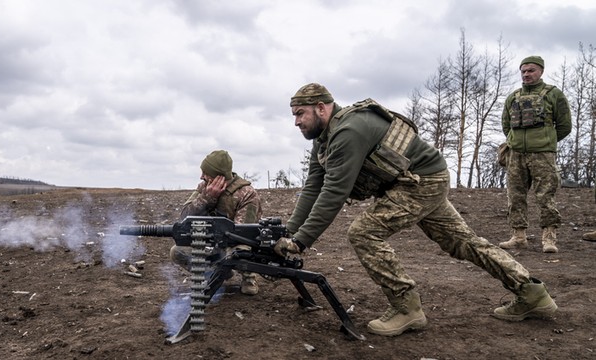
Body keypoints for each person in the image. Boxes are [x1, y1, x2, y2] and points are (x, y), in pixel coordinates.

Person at [274, 83, 557, 337]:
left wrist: (301, 241)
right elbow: (314, 184)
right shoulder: (326, 136)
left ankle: (406, 308)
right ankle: (532, 293)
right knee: (462, 243)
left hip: (422, 183)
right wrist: (290, 230)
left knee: (363, 233)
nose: (297, 122)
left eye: (301, 114)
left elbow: (334, 192)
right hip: (417, 180)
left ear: (321, 108)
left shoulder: (348, 132)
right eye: (295, 115)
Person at [499, 55, 572, 253]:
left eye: (531, 70)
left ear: (541, 71)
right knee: (515, 196)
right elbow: (506, 125)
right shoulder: (513, 97)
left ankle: (549, 238)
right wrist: (516, 142)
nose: (526, 74)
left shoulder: (554, 94)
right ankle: (519, 236)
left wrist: (545, 140)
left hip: (543, 154)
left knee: (546, 196)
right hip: (516, 154)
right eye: (523, 71)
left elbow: (565, 125)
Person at [169, 150, 264, 295]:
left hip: (236, 245)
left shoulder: (247, 193)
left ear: (218, 175)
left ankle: (248, 278)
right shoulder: (203, 188)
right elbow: (184, 217)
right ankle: (217, 273)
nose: (201, 176)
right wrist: (207, 198)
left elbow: (244, 232)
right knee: (177, 252)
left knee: (242, 251)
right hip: (212, 244)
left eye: (205, 172)